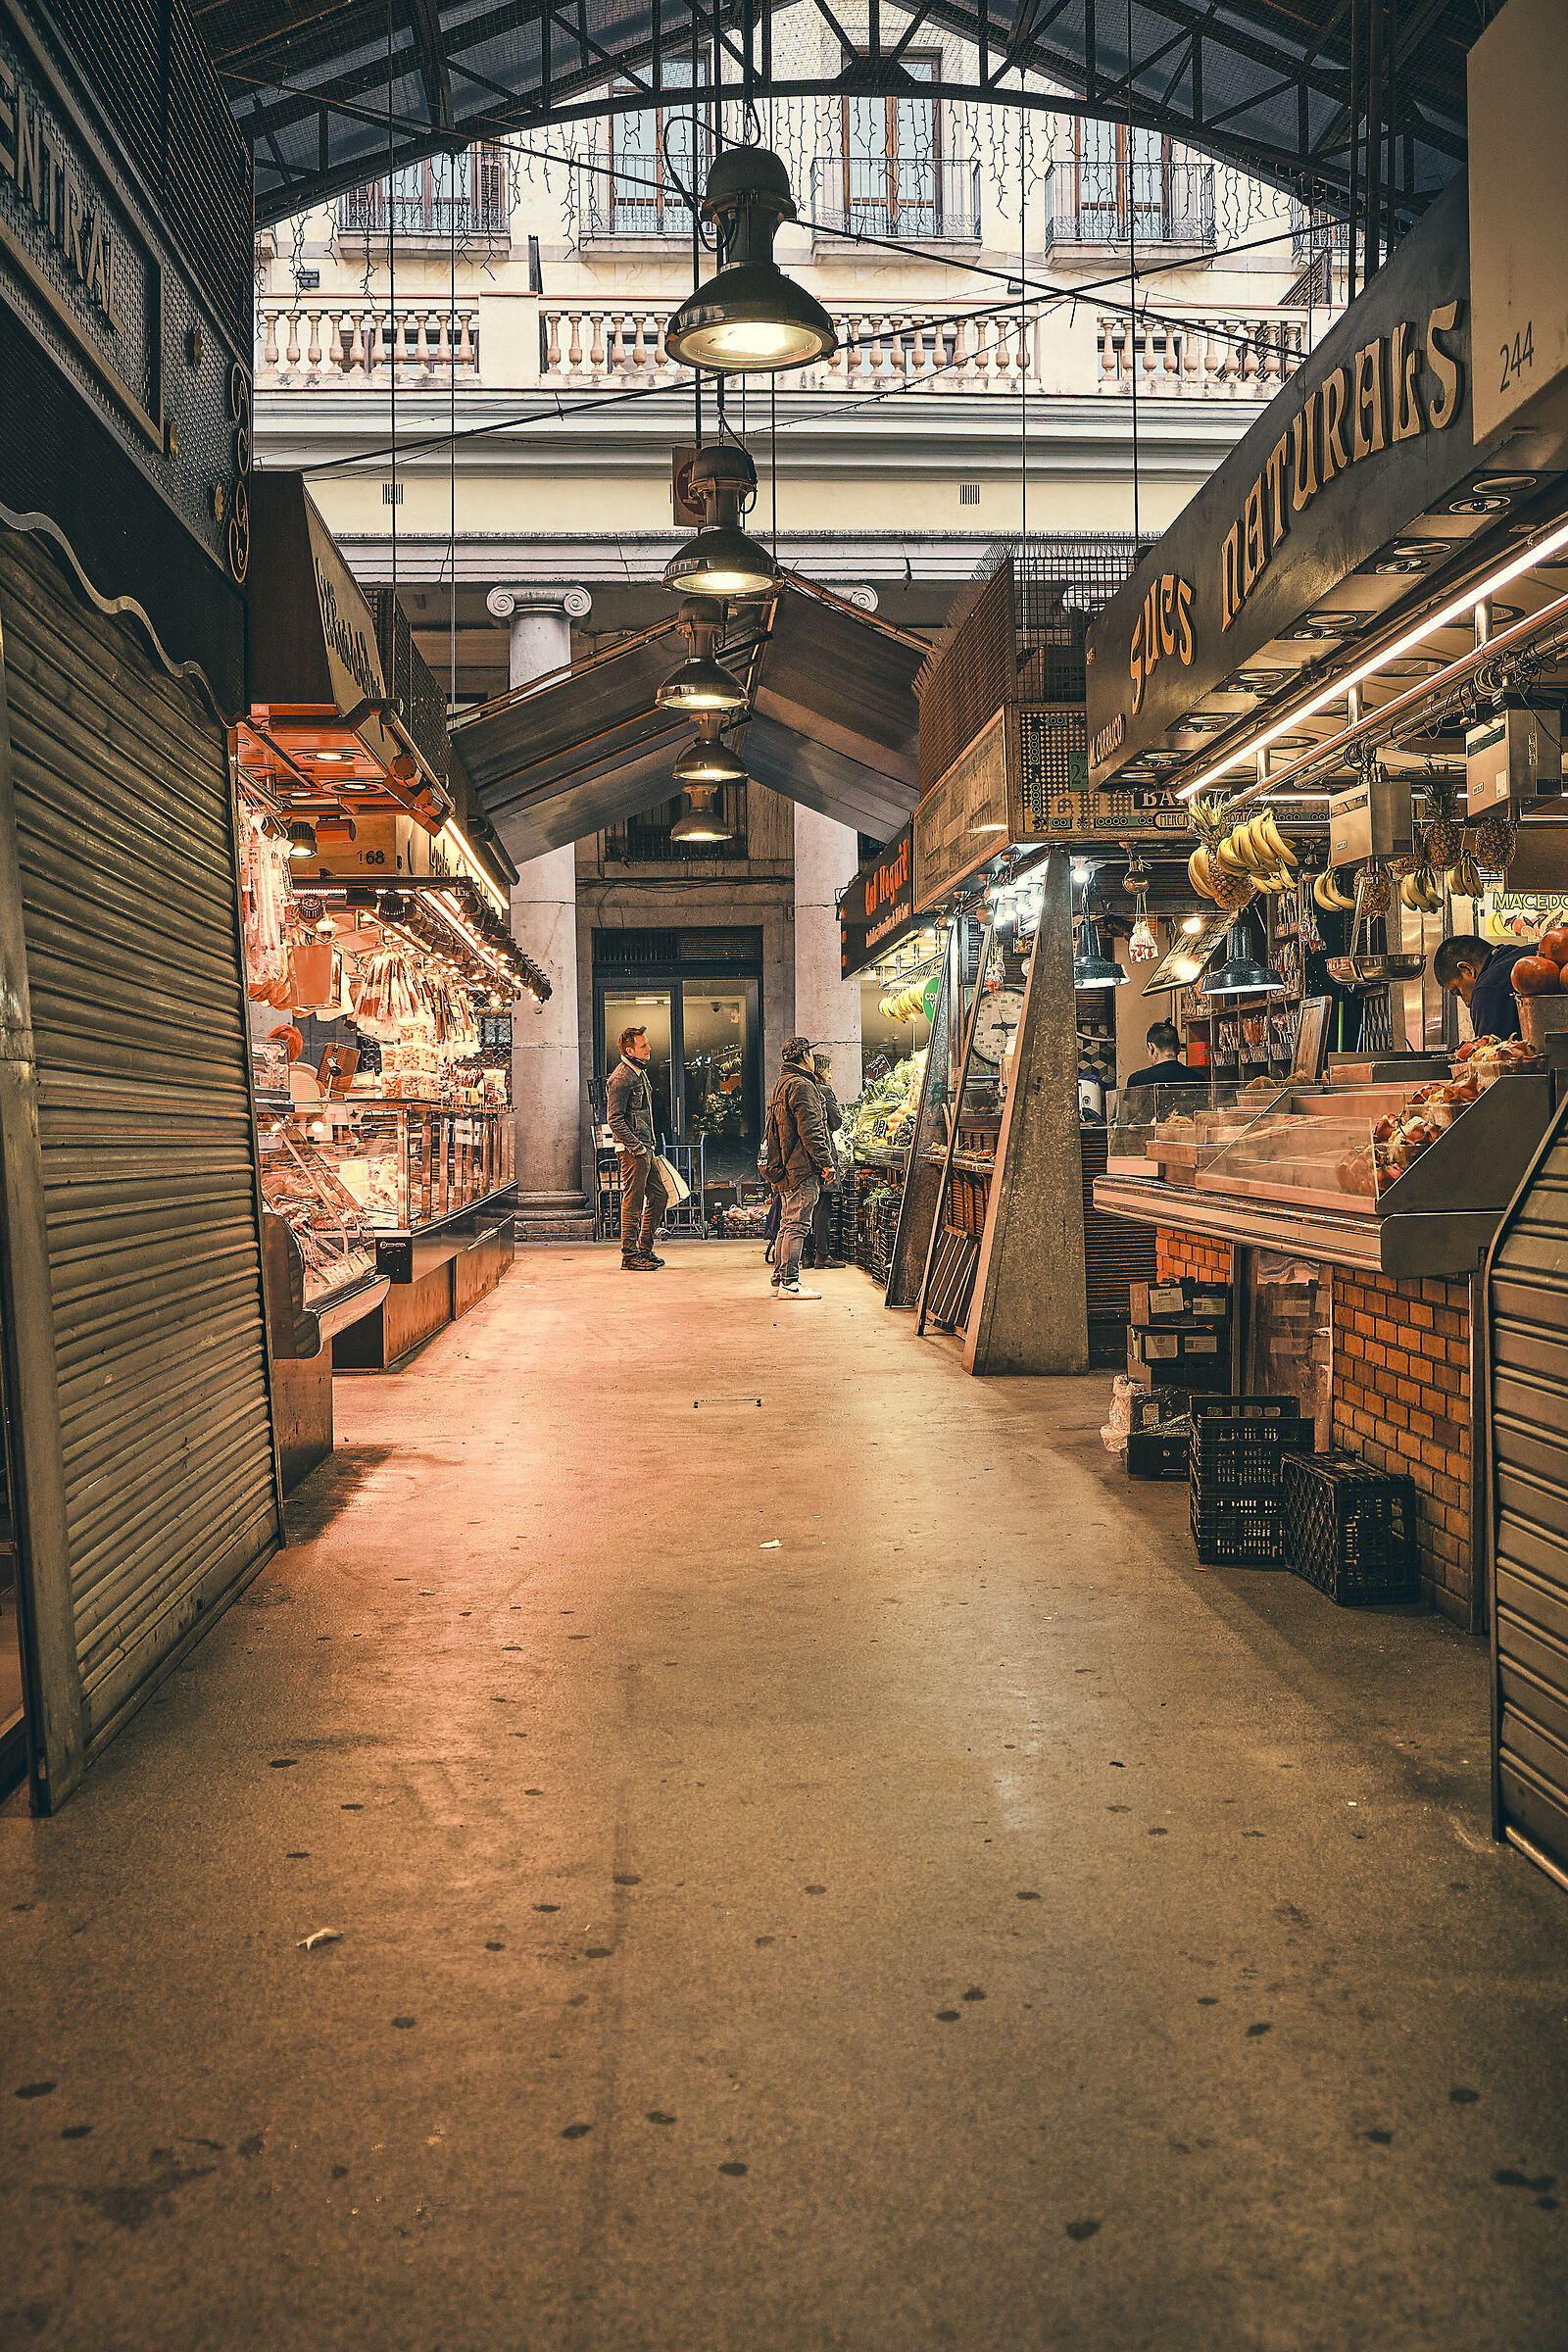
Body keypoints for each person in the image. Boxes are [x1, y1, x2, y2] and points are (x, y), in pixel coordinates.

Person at [763, 1034, 835, 1299]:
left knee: (786, 1223)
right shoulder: (802, 1085)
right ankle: (790, 1284)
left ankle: (779, 1280)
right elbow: (812, 1129)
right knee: (796, 1225)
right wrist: (825, 1162)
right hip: (800, 1167)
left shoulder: (782, 1083)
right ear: (806, 1057)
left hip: (784, 1166)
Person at [605, 1025, 667, 1272]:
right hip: (633, 1150)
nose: (649, 1048)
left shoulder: (638, 1072)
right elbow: (614, 1118)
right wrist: (637, 1148)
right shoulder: (621, 1077)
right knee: (633, 1201)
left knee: (659, 1196)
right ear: (629, 1050)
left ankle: (644, 1249)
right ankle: (629, 1255)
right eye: (643, 1046)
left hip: (644, 1146)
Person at [1434, 935, 1534, 1045]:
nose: (1467, 1003)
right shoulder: (1520, 953)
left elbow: (1489, 1056)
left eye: (1459, 992)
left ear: (1466, 969)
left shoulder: (1486, 990)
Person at [805, 1049, 848, 1271]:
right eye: (829, 1070)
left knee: (806, 1207)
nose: (831, 1074)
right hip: (823, 1154)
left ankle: (806, 1255)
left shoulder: (803, 1088)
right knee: (823, 1206)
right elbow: (835, 1122)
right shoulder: (824, 1090)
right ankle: (823, 1254)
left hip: (804, 1157)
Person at [1122, 1020, 1205, 1094]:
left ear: (1151, 1047)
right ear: (1179, 1048)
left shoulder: (1137, 1080)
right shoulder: (1198, 1079)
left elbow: (1131, 1109)